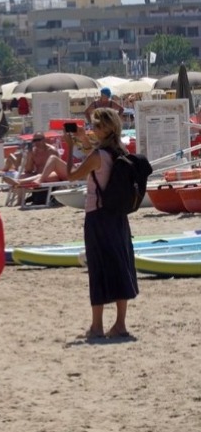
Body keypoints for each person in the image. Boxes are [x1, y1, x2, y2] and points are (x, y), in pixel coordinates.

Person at [64, 108, 138, 339]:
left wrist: (68, 148)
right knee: (120, 264)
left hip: (97, 216)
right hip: (118, 216)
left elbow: (71, 175)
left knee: (97, 268)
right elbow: (96, 157)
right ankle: (120, 325)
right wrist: (85, 141)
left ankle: (96, 326)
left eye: (96, 126)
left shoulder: (98, 156)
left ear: (106, 128)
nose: (93, 129)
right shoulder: (120, 151)